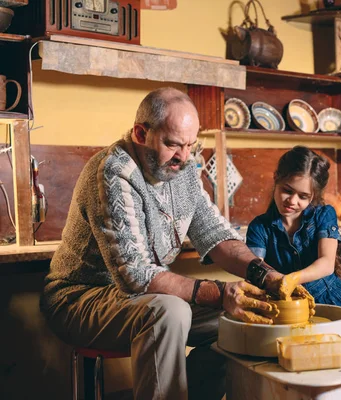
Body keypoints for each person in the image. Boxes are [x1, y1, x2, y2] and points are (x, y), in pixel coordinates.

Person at [39, 87, 310, 400]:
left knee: (244, 319)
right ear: (141, 133)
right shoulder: (114, 172)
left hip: (138, 298)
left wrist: (266, 275)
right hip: (79, 298)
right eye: (173, 144)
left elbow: (218, 235)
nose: (184, 156)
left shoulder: (181, 169)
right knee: (170, 312)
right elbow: (136, 275)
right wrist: (222, 292)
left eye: (191, 145)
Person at [245, 146, 341, 337]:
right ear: (276, 178)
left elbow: (326, 264)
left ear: (313, 197)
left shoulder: (323, 215)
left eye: (303, 197)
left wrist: (292, 279)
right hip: (284, 307)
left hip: (330, 298)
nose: (292, 201)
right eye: (287, 190)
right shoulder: (259, 227)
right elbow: (255, 270)